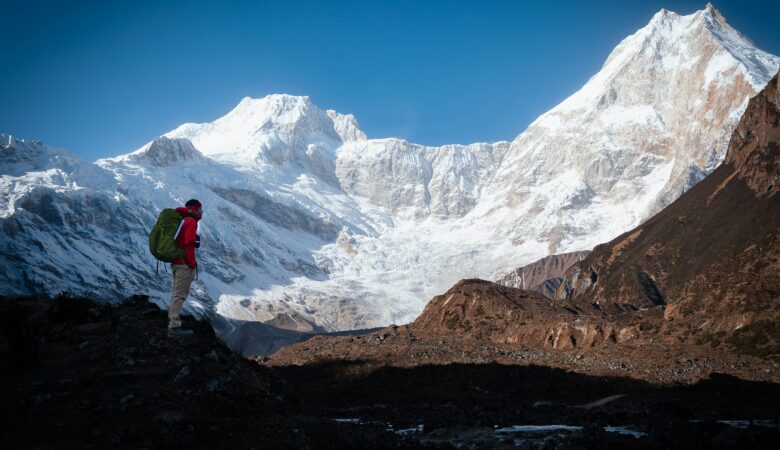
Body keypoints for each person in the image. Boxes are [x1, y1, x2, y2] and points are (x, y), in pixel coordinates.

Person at [168, 199, 202, 336]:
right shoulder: (190, 222)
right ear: (193, 209)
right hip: (183, 265)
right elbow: (189, 244)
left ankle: (174, 324)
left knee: (177, 294)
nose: (201, 212)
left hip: (177, 262)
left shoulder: (183, 220)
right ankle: (174, 327)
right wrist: (192, 263)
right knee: (179, 295)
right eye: (199, 209)